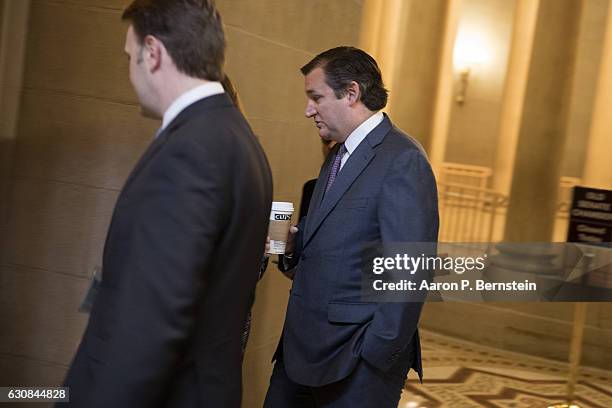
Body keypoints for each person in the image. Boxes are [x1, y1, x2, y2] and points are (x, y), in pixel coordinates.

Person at [59, 1, 272, 407]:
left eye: (129, 56)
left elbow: (150, 326)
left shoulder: (191, 151)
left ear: (153, 53)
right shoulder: (235, 136)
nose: (129, 71)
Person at [264, 46, 439, 407]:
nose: (308, 109)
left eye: (316, 97)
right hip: (301, 349)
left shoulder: (403, 158)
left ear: (351, 93)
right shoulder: (338, 156)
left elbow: (410, 271)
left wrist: (376, 352)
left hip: (356, 361)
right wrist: (296, 248)